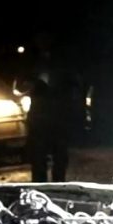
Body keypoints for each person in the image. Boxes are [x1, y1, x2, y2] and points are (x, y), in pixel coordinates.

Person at [25, 32, 81, 183]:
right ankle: (40, 186)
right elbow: (21, 85)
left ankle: (58, 185)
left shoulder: (62, 62)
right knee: (39, 157)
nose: (42, 42)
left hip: (57, 117)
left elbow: (74, 85)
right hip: (40, 117)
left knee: (59, 156)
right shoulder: (32, 61)